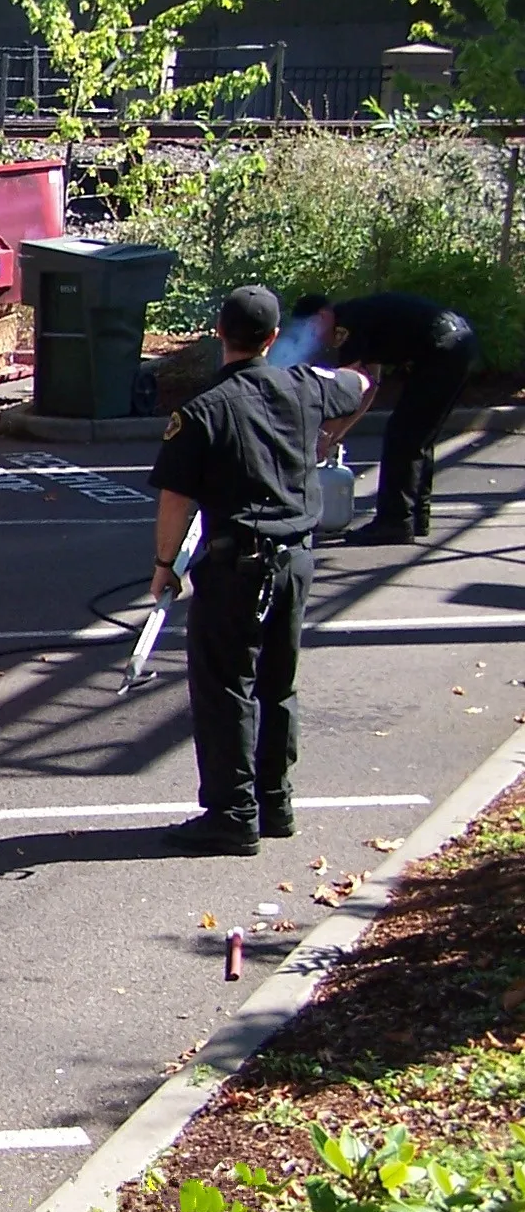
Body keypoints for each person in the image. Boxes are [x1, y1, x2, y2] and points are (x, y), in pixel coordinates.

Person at [148, 285, 369, 857]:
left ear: (219, 333)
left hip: (237, 566)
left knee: (226, 688)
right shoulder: (307, 386)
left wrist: (164, 566)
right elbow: (362, 384)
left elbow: (177, 498)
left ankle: (232, 814)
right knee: (278, 681)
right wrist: (329, 437)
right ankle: (275, 801)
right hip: (295, 561)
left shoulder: (203, 411)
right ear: (272, 338)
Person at [291, 291, 477, 543]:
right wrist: (338, 434)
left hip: (442, 350)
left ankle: (395, 522)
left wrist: (323, 437)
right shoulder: (358, 317)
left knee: (403, 435)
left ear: (323, 316)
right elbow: (368, 387)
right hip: (457, 343)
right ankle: (415, 517)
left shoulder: (348, 324)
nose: (314, 339)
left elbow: (342, 392)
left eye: (311, 330)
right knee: (419, 435)